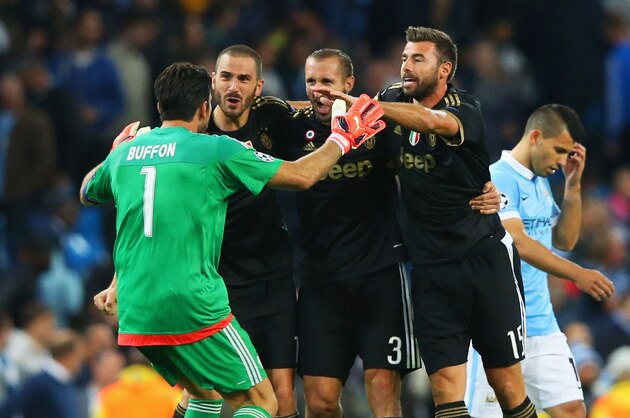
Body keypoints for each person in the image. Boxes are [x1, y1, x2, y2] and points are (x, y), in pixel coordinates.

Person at [83, 61, 385, 418]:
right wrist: (342, 138)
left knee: (204, 398)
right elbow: (302, 175)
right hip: (191, 303)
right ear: (204, 108)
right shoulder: (215, 149)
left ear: (160, 107)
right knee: (261, 402)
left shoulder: (126, 153)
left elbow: (88, 190)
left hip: (134, 312)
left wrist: (115, 151)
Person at [316, 26, 535, 418]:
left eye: (418, 59)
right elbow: (338, 116)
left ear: (445, 68)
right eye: (404, 58)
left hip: (483, 261)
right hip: (430, 269)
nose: (406, 66)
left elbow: (433, 123)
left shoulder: (465, 109)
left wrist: (369, 108)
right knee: (444, 391)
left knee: (507, 387)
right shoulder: (390, 100)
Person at [282, 48, 419, 418]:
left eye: (327, 82)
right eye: (311, 81)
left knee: (382, 392)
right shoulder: (291, 127)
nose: (318, 90)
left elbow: (423, 157)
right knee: (321, 402)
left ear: (349, 84)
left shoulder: (378, 125)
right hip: (320, 280)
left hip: (380, 274)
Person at [465, 104, 616, 418]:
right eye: (558, 150)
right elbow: (517, 241)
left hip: (541, 323)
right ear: (535, 136)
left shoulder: (540, 181)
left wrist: (573, 186)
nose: (561, 161)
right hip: (498, 324)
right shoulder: (498, 176)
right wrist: (578, 273)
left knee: (573, 409)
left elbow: (564, 240)